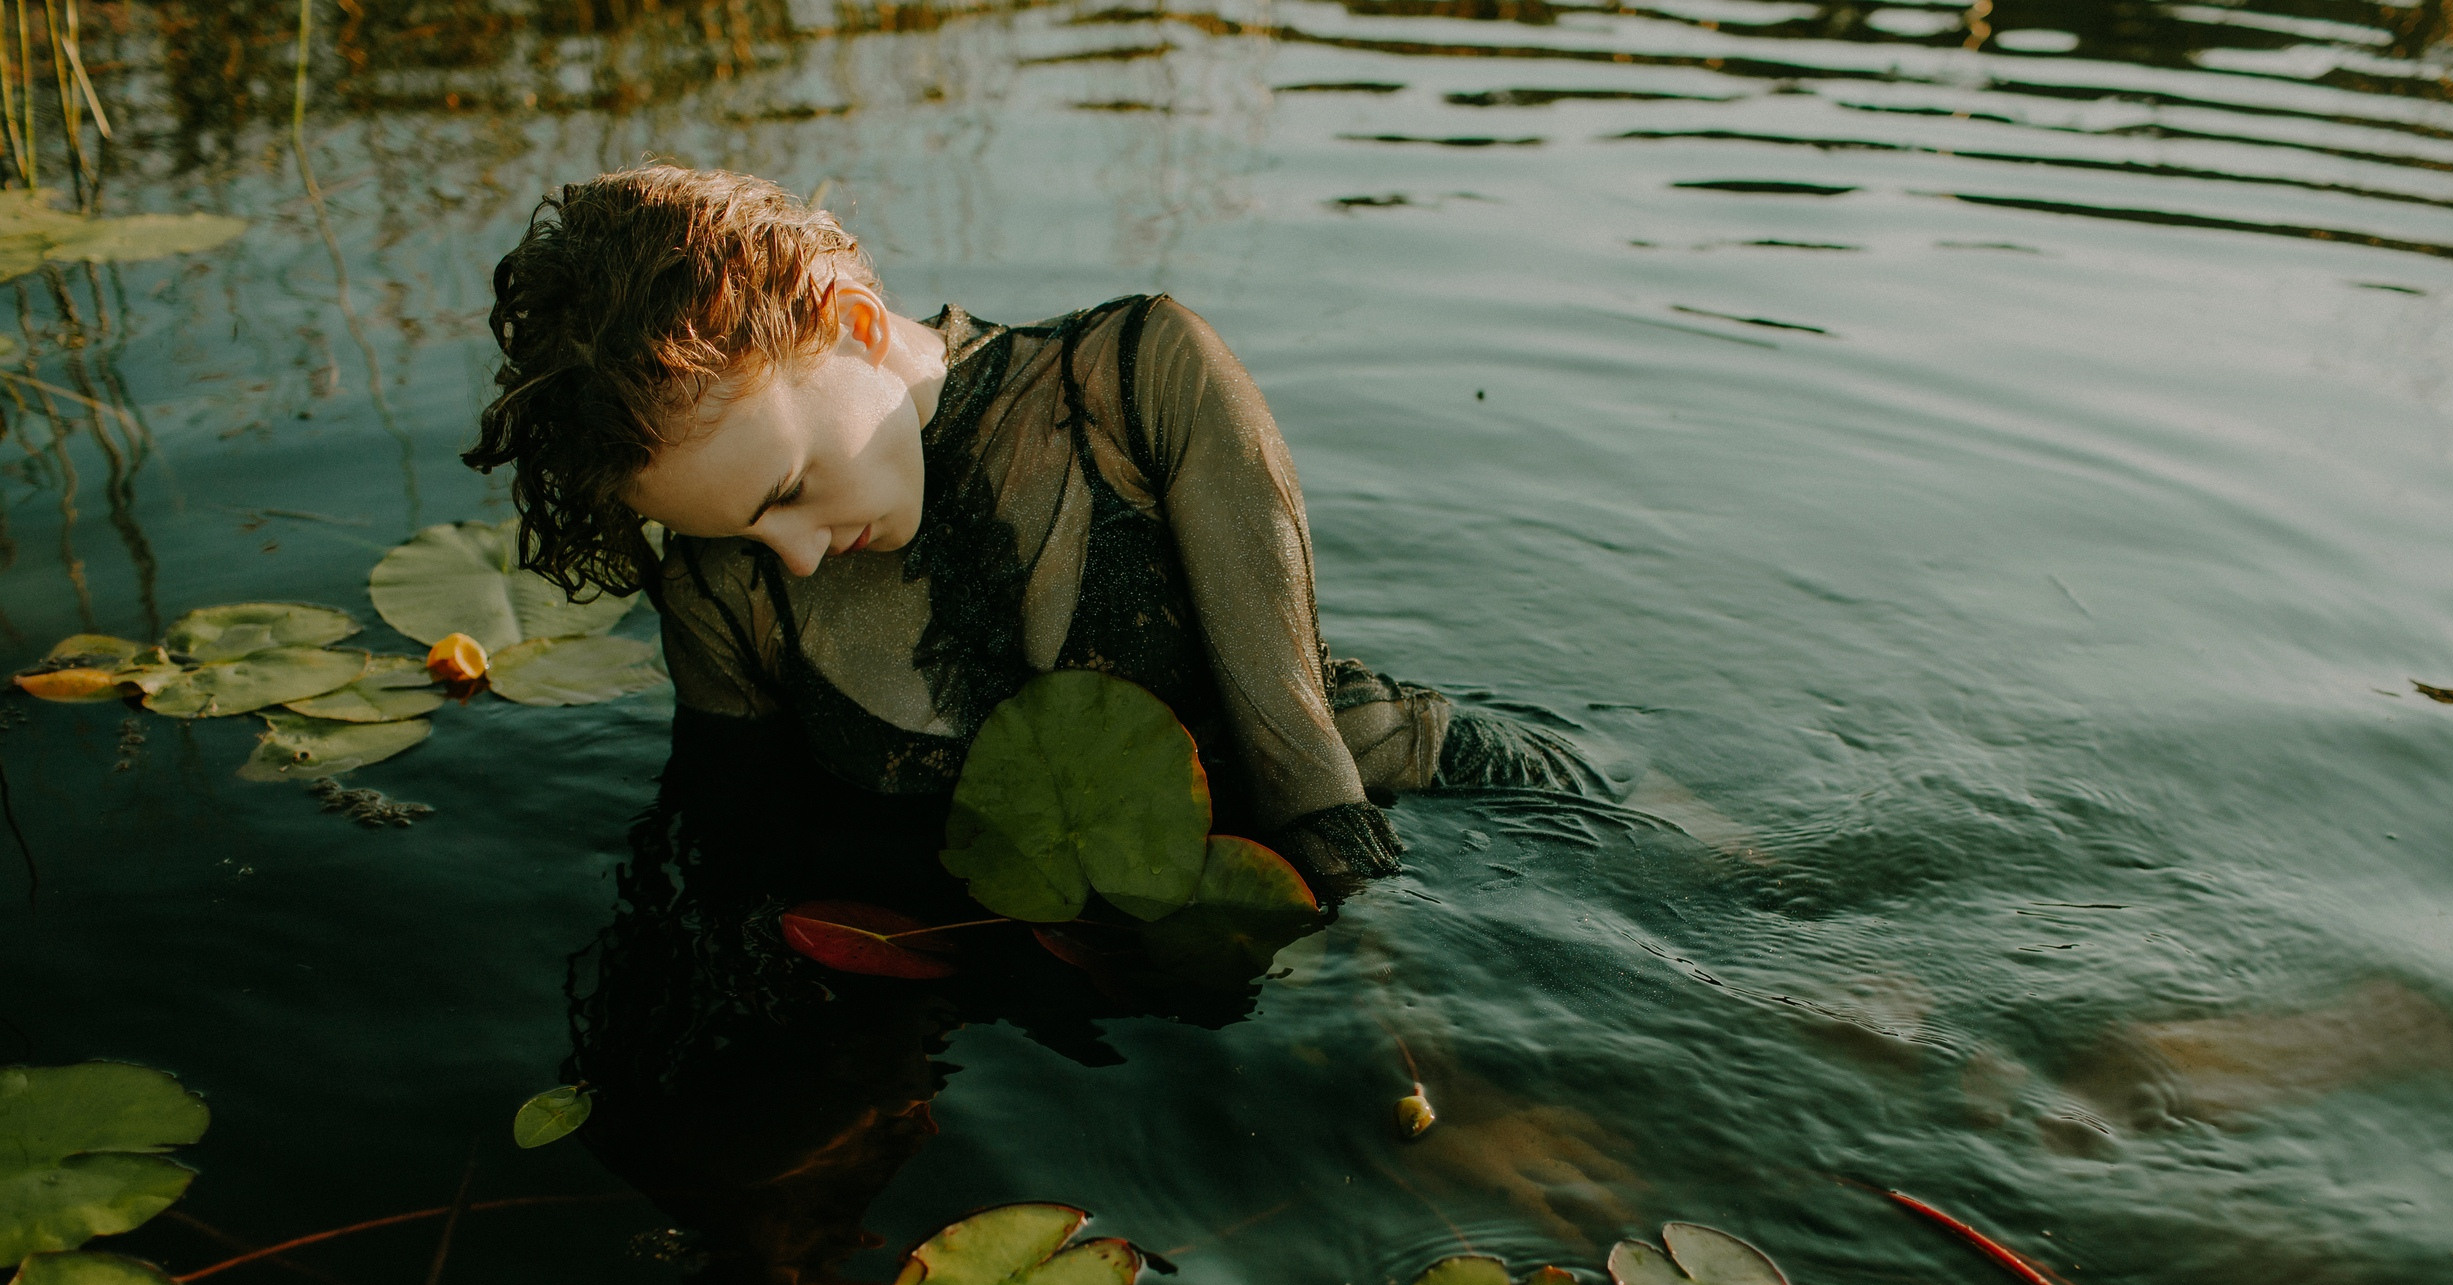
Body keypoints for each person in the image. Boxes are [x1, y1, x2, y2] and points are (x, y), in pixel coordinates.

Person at [462, 165, 1608, 897]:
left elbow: (1295, 757)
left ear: (850, 323)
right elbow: (727, 855)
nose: (795, 556)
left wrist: (1377, 997)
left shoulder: (1140, 379)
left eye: (787, 493)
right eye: (741, 539)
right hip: (1033, 969)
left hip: (1451, 820)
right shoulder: (719, 587)